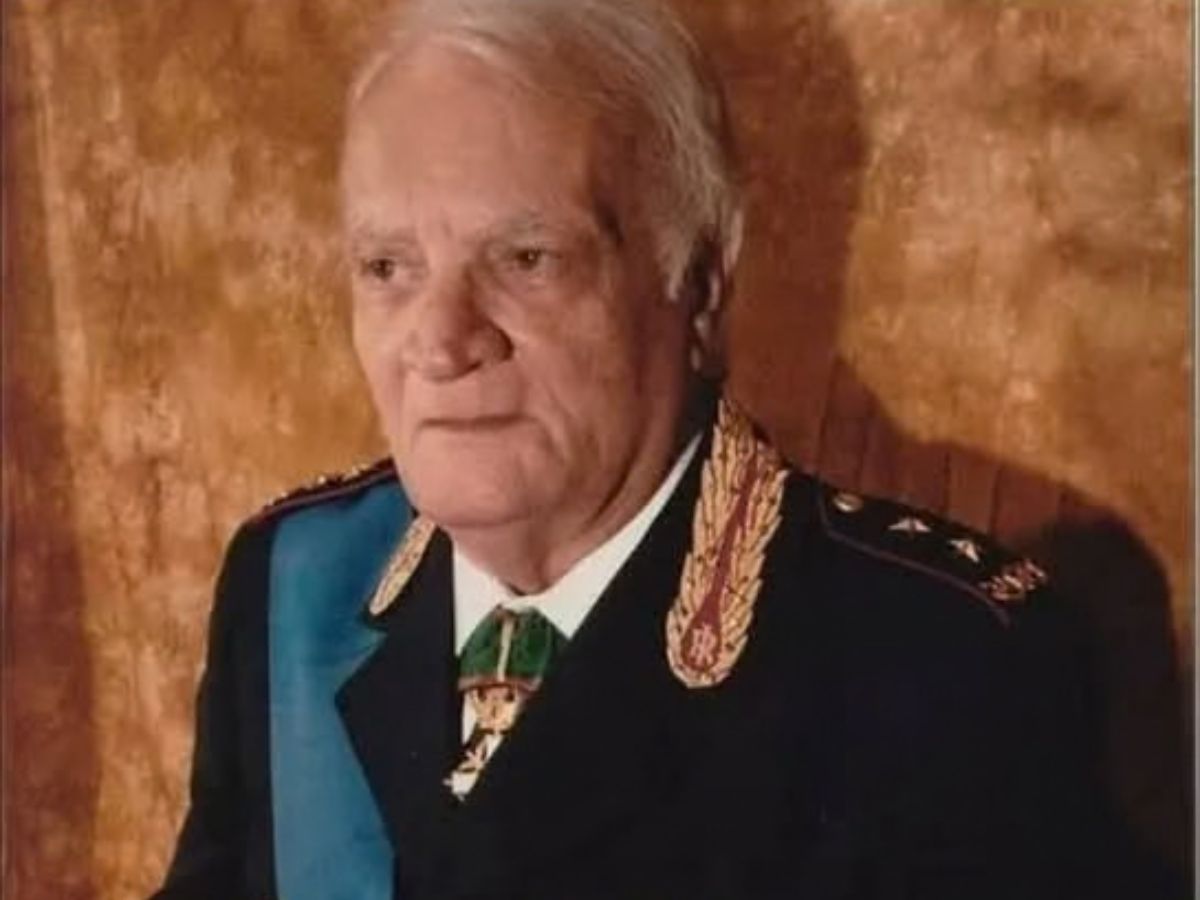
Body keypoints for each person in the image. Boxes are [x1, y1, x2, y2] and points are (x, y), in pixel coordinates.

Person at [153, 0, 1126, 898]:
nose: (441, 343)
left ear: (699, 289)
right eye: (386, 268)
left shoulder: (939, 666)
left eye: (526, 259)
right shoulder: (297, 587)